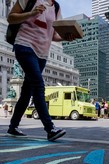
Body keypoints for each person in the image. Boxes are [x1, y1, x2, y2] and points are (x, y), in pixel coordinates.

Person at [6, 0, 75, 141]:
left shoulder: (56, 7)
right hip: (24, 45)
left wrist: (66, 38)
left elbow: (53, 34)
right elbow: (11, 17)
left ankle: (13, 127)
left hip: (42, 53)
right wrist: (32, 13)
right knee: (38, 86)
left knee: (27, 92)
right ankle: (50, 129)